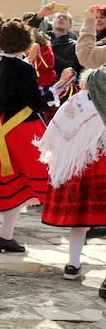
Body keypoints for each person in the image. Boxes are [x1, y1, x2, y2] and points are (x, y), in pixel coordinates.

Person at [0, 20, 72, 253]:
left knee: (16, 182)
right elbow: (35, 102)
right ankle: (77, 223)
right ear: (26, 42)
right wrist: (57, 89)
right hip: (22, 128)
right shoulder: (24, 68)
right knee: (35, 178)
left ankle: (5, 236)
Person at [36, 66, 106, 297]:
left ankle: (72, 264)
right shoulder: (101, 107)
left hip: (74, 169)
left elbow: (53, 135)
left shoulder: (74, 103)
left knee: (79, 221)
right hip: (98, 166)